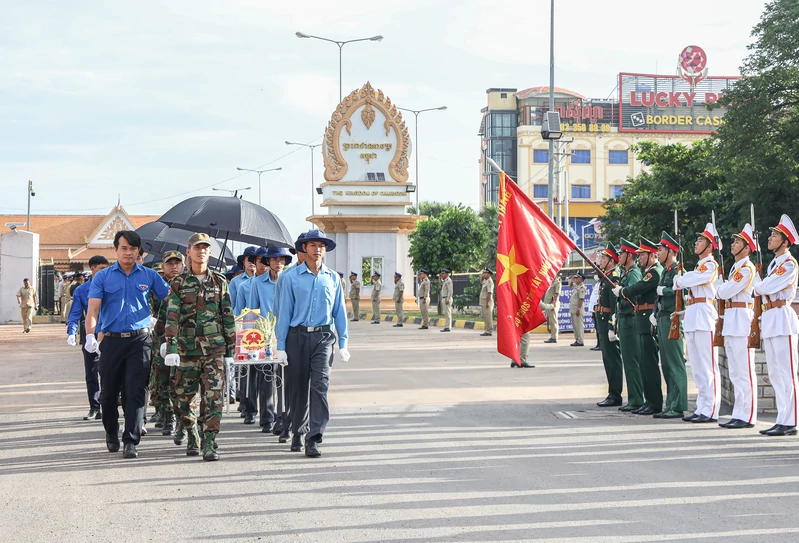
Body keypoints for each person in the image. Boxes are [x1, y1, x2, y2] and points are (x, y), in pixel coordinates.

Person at [85, 230, 170, 459]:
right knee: (108, 395)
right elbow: (93, 309)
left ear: (138, 251)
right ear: (116, 249)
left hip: (139, 340)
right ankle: (111, 433)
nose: (128, 253)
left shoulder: (149, 276)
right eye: (124, 248)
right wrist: (90, 335)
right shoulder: (103, 277)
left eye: (133, 249)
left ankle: (131, 440)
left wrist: (164, 326)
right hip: (111, 340)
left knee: (135, 391)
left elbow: (170, 299)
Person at [275, 229, 350, 458]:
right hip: (296, 337)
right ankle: (298, 431)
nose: (317, 249)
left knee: (320, 386)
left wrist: (344, 342)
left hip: (323, 338)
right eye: (313, 245)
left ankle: (314, 437)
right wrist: (280, 346)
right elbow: (284, 312)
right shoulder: (290, 278)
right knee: (298, 388)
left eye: (321, 245)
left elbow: (339, 312)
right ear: (304, 249)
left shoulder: (333, 278)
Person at [163, 233, 236, 460]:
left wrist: (231, 350)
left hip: (214, 349)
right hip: (187, 349)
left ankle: (210, 441)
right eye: (197, 247)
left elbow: (227, 316)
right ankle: (191, 431)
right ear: (189, 251)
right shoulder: (178, 283)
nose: (201, 251)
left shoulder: (220, 281)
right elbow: (172, 316)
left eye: (205, 248)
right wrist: (171, 347)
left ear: (210, 252)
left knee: (213, 398)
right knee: (183, 398)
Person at [754, 214, 799, 436]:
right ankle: (783, 417)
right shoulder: (775, 263)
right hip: (771, 318)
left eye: (775, 235)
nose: (770, 238)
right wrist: (761, 284)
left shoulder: (788, 264)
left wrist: (760, 284)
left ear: (785, 241)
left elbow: (765, 287)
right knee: (774, 373)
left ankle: (791, 421)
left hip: (782, 318)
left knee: (787, 372)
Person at [673, 223, 720, 423]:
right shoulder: (698, 266)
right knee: (698, 368)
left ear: (709, 246)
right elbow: (687, 280)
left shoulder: (711, 265)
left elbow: (693, 280)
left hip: (704, 317)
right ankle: (702, 407)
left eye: (701, 240)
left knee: (708, 366)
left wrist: (682, 279)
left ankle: (711, 410)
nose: (696, 243)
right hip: (693, 316)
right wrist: (684, 279)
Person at [614, 236, 663, 415]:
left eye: (643, 255)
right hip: (640, 320)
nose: (640, 257)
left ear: (652, 255)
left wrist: (622, 291)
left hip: (644, 320)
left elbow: (637, 288)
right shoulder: (647, 271)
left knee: (648, 364)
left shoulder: (653, 272)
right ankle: (648, 401)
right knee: (643, 364)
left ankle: (652, 402)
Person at [716, 224, 758, 429]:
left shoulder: (746, 268)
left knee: (744, 371)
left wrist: (721, 288)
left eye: (737, 242)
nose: (733, 245)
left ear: (747, 248)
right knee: (734, 371)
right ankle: (739, 412)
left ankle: (747, 415)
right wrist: (722, 288)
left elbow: (724, 292)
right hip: (732, 319)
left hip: (741, 320)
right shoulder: (736, 268)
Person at [247, 246, 292, 433]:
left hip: (287, 334)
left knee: (285, 378)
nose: (278, 263)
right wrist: (252, 339)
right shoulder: (257, 282)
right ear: (268, 262)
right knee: (267, 378)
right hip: (265, 336)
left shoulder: (290, 279)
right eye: (274, 260)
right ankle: (267, 419)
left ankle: (282, 417)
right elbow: (252, 311)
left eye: (282, 260)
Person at [67, 256, 109, 420]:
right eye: (101, 268)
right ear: (92, 269)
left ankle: (108, 405)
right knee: (91, 371)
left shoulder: (112, 286)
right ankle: (94, 407)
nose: (104, 272)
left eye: (106, 268)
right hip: (91, 333)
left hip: (109, 332)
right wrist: (72, 332)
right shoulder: (82, 290)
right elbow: (75, 313)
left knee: (109, 371)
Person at [149, 250, 185, 437]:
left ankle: (180, 418)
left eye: (177, 263)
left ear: (183, 265)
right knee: (162, 380)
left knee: (180, 381)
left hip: (184, 341)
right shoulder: (156, 286)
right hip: (160, 338)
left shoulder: (188, 285)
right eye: (170, 263)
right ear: (163, 266)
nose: (174, 267)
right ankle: (167, 414)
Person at [653, 231, 688, 419]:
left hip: (673, 319)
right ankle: (670, 404)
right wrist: (654, 314)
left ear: (671, 251)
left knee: (675, 363)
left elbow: (683, 293)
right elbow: (658, 297)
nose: (657, 253)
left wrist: (665, 290)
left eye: (661, 250)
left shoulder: (678, 271)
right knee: (666, 365)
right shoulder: (665, 271)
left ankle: (679, 405)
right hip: (663, 318)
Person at [237, 246, 267, 424]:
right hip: (250, 334)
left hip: (269, 334)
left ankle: (267, 414)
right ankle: (249, 408)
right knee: (250, 374)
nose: (263, 264)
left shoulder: (278, 282)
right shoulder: (241, 285)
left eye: (266, 261)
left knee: (267, 375)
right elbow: (239, 311)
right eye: (259, 261)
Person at [614, 238, 644, 412]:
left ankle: (636, 398)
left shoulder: (633, 273)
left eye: (622, 254)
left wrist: (621, 292)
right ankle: (633, 397)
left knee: (632, 361)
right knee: (628, 360)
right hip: (624, 318)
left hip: (630, 319)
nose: (619, 256)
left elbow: (633, 294)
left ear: (630, 256)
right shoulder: (626, 273)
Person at [595, 243, 622, 406]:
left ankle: (615, 394)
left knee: (612, 360)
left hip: (607, 322)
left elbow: (614, 305)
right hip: (602, 321)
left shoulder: (613, 277)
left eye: (604, 258)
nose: (601, 261)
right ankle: (612, 392)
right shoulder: (606, 276)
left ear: (611, 261)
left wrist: (612, 326)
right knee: (607, 358)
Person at [229, 246, 258, 311]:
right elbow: (231, 305)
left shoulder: (265, 281)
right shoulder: (235, 281)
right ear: (243, 262)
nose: (251, 262)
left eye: (253, 259)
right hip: (242, 316)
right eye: (248, 259)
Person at [569, 273, 587, 347]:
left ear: (581, 279)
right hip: (573, 309)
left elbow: (581, 299)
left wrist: (578, 309)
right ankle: (577, 339)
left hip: (578, 309)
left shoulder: (582, 287)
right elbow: (570, 286)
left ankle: (580, 340)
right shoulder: (577, 286)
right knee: (575, 325)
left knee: (579, 325)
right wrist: (572, 280)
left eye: (577, 278)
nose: (576, 279)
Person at [541, 279, 561, 343]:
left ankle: (554, 337)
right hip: (549, 304)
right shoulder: (551, 282)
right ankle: (552, 336)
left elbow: (556, 294)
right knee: (551, 321)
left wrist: (554, 303)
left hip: (552, 304)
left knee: (554, 320)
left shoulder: (557, 282)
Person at [588, 272, 601, 351]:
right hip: (594, 309)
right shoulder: (597, 284)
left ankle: (600, 344)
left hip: (598, 309)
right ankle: (598, 343)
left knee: (599, 328)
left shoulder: (601, 284)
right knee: (597, 328)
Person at [479, 269, 495, 337]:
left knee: (488, 317)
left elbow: (489, 293)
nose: (484, 274)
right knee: (485, 317)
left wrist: (487, 302)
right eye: (483, 273)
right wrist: (482, 276)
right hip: (483, 302)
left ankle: (489, 331)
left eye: (485, 273)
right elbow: (481, 282)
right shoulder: (486, 281)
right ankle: (486, 330)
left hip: (487, 302)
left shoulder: (490, 282)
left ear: (489, 274)